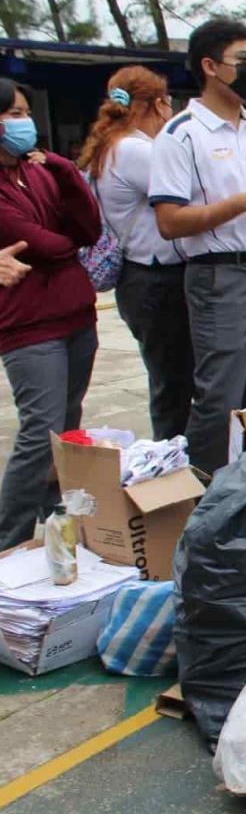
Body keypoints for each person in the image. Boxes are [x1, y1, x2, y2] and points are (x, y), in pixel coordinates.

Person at [148, 19, 246, 473]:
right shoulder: (182, 135)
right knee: (221, 395)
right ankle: (208, 498)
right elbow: (168, 221)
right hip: (220, 278)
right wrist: (241, 203)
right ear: (210, 67)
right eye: (244, 61)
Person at [0, 78, 102, 549]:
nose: (23, 123)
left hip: (75, 314)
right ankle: (9, 537)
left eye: (24, 113)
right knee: (40, 431)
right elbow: (48, 243)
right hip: (28, 324)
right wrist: (66, 242)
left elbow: (89, 227)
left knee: (66, 424)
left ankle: (55, 517)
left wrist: (62, 168)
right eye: (12, 115)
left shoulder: (39, 171)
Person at [76, 66, 193, 442]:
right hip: (156, 277)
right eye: (167, 103)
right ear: (156, 104)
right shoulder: (136, 150)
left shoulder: (111, 146)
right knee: (174, 382)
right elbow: (189, 190)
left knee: (167, 377)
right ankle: (173, 460)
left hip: (140, 278)